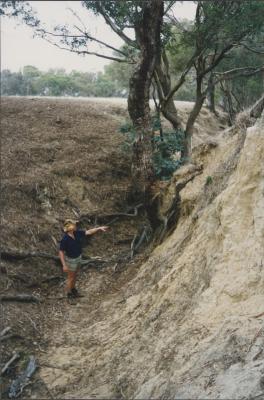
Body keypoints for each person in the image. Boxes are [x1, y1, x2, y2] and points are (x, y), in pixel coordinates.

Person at [59, 219, 108, 298]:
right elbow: (61, 252)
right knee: (70, 278)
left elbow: (88, 232)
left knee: (75, 275)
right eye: (74, 225)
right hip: (71, 260)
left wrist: (98, 228)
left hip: (78, 257)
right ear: (70, 227)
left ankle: (73, 290)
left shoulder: (76, 233)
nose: (75, 226)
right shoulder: (65, 239)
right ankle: (69, 294)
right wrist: (64, 265)